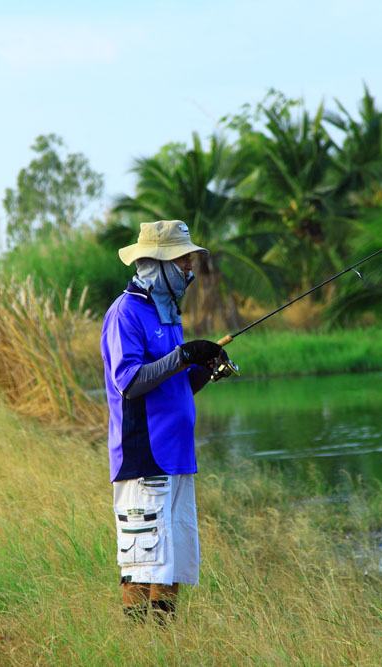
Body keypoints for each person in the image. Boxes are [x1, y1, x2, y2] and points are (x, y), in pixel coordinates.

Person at [100, 219, 231, 624]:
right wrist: (184, 355)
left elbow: (172, 389)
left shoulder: (167, 313)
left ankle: (163, 639)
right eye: (182, 261)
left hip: (177, 458)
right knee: (142, 557)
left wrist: (205, 369)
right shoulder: (126, 313)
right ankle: (139, 641)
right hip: (144, 458)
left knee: (171, 558)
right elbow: (131, 383)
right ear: (155, 264)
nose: (190, 269)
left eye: (189, 261)